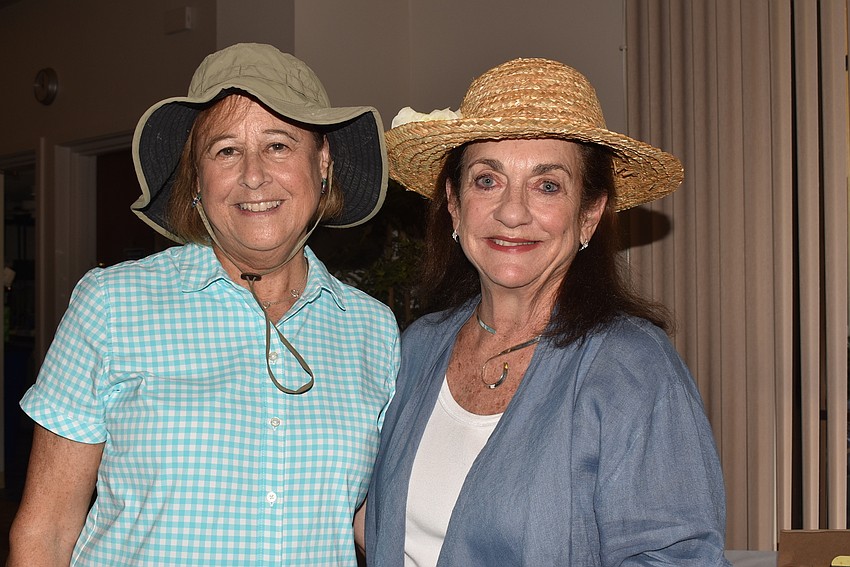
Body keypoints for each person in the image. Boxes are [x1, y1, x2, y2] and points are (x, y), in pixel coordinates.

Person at [8, 43, 399, 566]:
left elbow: (370, 518)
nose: (254, 175)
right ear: (196, 178)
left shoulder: (373, 330)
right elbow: (45, 535)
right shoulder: (112, 306)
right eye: (226, 150)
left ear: (322, 163)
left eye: (279, 145)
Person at [363, 58, 731, 566]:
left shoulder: (632, 367)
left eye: (548, 185)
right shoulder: (417, 347)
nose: (512, 212)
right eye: (486, 180)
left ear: (589, 214)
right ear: (453, 202)